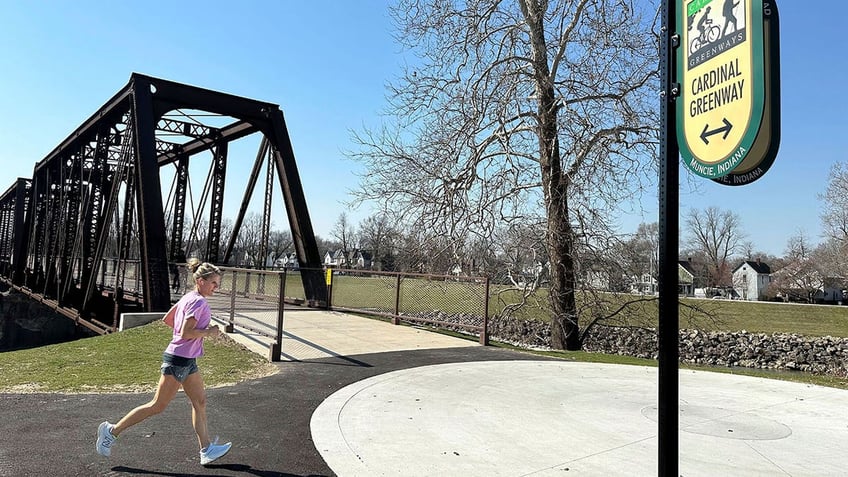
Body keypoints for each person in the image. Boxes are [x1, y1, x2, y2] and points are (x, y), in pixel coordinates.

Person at [95, 258, 232, 466]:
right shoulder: (199, 302)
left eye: (217, 283)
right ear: (201, 281)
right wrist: (209, 332)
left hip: (187, 360)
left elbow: (168, 319)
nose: (216, 287)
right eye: (214, 282)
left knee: (200, 402)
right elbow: (186, 332)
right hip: (178, 360)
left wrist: (186, 337)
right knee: (157, 405)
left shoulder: (189, 297)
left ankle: (206, 449)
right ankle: (111, 432)